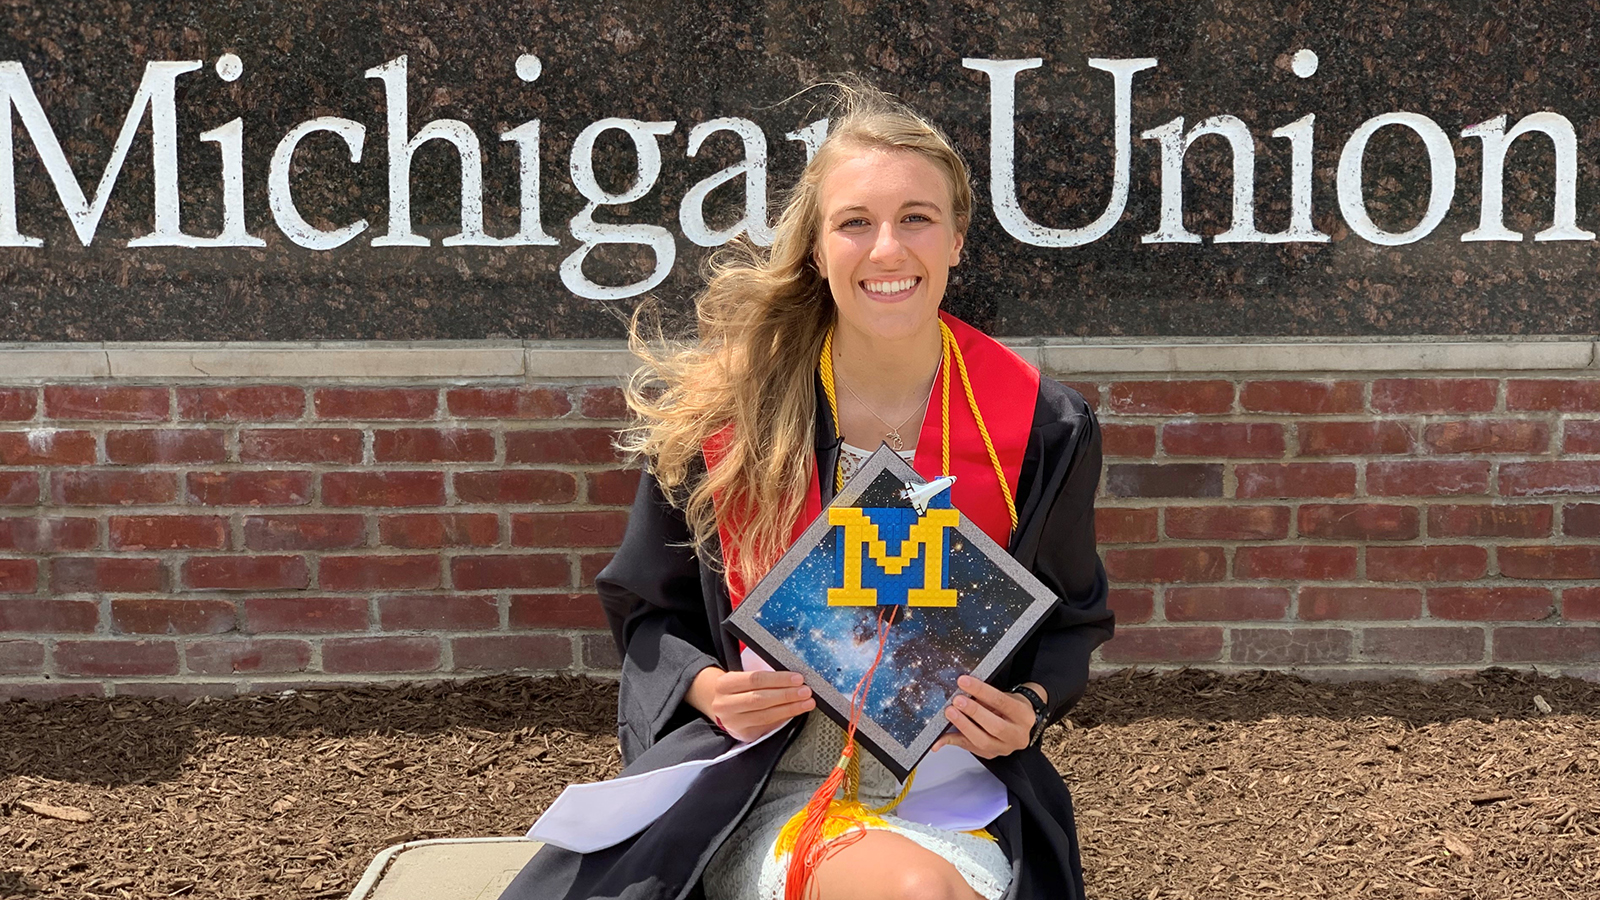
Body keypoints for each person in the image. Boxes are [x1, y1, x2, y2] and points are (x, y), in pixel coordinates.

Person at [499, 82, 1111, 900]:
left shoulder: (1039, 427)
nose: (888, 249)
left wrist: (1028, 707)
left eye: (918, 218)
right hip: (764, 784)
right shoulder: (731, 420)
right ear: (817, 249)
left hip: (952, 791)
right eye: (855, 222)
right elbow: (652, 611)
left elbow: (1072, 617)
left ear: (959, 239)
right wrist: (713, 691)